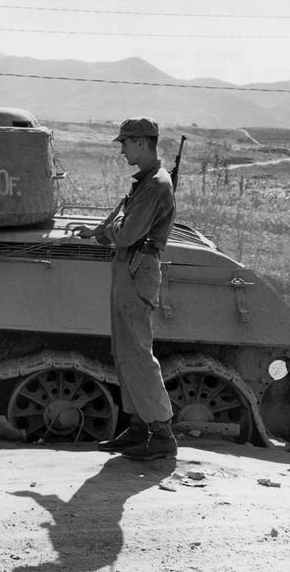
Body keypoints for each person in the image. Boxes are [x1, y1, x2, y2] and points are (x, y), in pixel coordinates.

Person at [74, 117, 177, 460]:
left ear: (142, 143)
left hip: (137, 268)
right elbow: (120, 225)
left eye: (124, 143)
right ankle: (137, 427)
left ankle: (161, 432)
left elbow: (128, 232)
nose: (121, 150)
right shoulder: (146, 182)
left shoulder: (155, 185)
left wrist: (113, 225)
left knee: (137, 352)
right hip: (128, 268)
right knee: (124, 352)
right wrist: (98, 231)